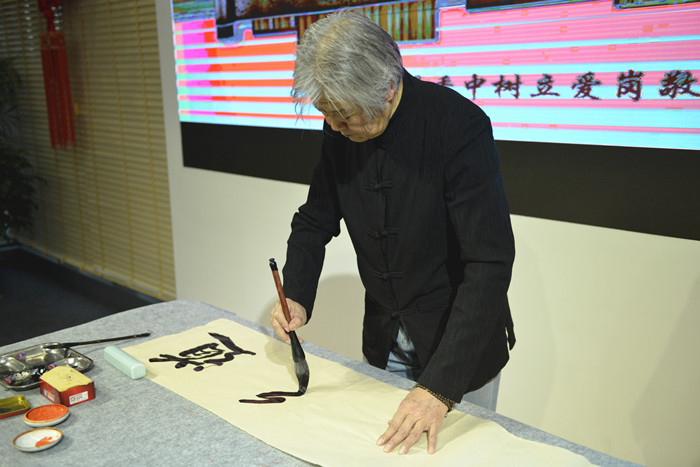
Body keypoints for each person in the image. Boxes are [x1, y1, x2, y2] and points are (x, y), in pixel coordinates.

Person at [269, 10, 515, 455]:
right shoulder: (342, 126)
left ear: (386, 88)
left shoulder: (458, 126)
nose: (336, 128)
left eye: (344, 117)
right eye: (328, 116)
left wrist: (438, 388)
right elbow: (315, 218)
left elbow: (489, 262)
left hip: (459, 350)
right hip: (385, 339)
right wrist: (297, 294)